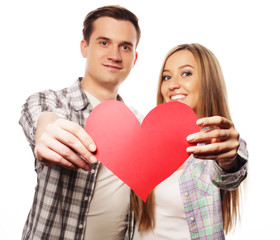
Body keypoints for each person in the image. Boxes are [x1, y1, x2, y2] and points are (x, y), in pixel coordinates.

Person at [19, 5, 141, 240]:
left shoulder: (139, 123)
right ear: (85, 47)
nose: (115, 55)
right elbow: (39, 115)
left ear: (134, 58)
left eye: (125, 46)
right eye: (104, 42)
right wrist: (46, 131)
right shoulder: (53, 101)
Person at [132, 43, 248, 240]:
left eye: (186, 73)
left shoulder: (221, 142)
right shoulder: (146, 143)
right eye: (166, 77)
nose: (173, 84)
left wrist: (229, 162)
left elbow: (231, 174)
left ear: (208, 81)